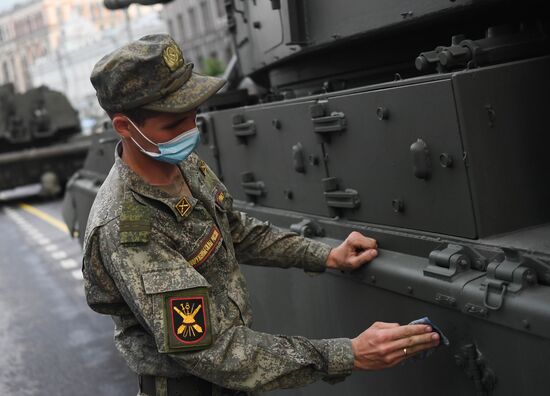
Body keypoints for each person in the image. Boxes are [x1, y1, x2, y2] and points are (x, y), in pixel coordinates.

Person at [84, 34, 440, 396]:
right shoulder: (128, 227)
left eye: (193, 115)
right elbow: (214, 352)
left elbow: (234, 231)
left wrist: (324, 255)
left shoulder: (178, 162)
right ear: (126, 128)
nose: (190, 131)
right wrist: (349, 354)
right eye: (175, 125)